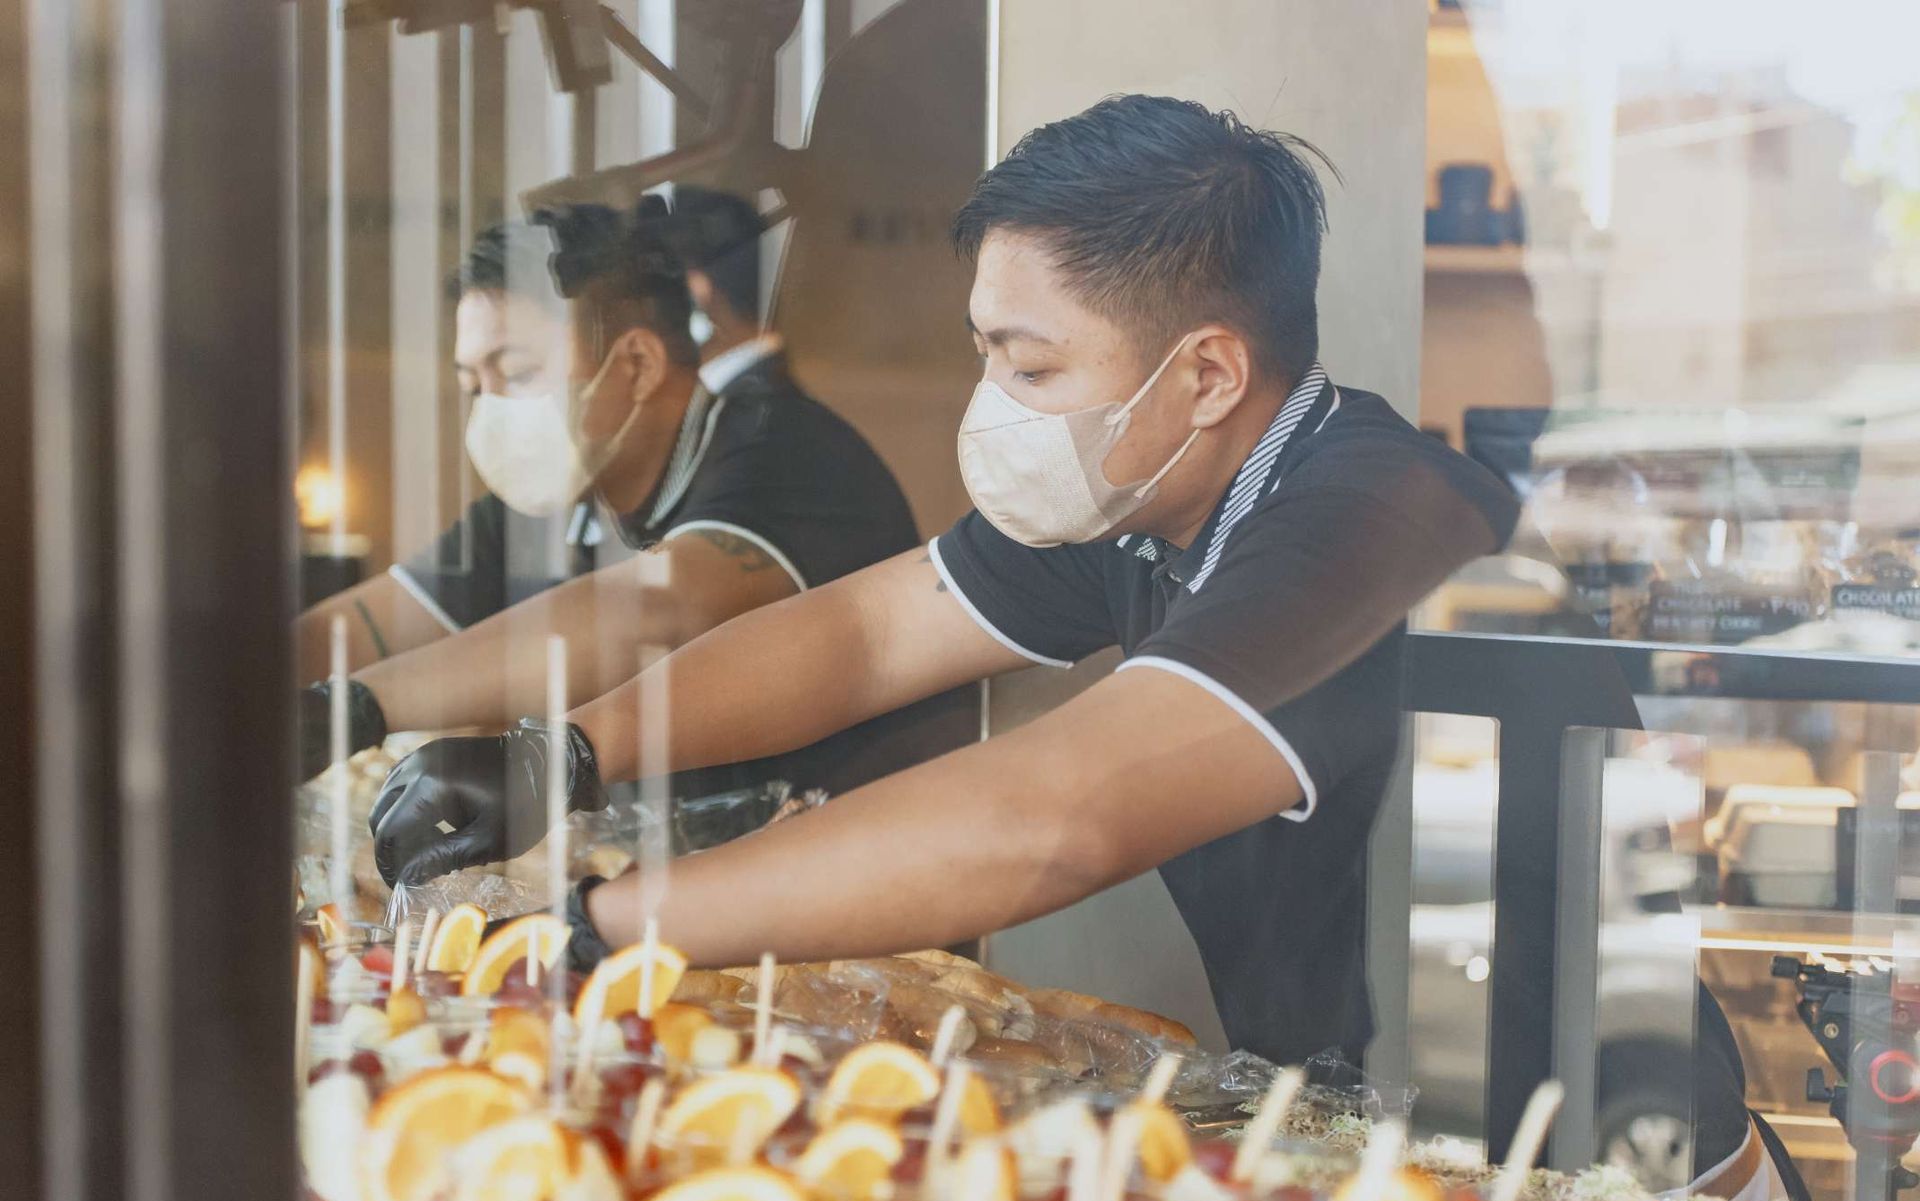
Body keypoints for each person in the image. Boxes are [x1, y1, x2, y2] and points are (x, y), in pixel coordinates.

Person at [369, 93, 1519, 1071]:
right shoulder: (1141, 491)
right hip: (1327, 1078)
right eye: (987, 355)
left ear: (1209, 374)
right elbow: (863, 636)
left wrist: (602, 926)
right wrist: (567, 752)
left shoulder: (1369, 508)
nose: (997, 405)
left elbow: (1050, 816)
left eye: (1032, 367)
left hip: (1507, 1092)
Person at [300, 195, 972, 802]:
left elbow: (662, 609)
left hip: (847, 853)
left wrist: (359, 705)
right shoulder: (565, 486)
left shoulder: (788, 453)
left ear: (637, 365)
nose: (491, 410)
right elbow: (368, 621)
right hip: (661, 862)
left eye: (518, 372)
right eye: (474, 385)